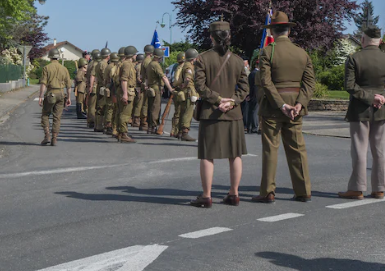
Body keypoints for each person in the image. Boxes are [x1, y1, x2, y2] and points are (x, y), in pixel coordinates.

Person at [251, 11, 315, 204]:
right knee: (297, 148)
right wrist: (298, 103)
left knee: (271, 149)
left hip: (273, 107)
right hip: (295, 107)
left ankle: (268, 191)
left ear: (273, 30)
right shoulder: (302, 53)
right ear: (288, 30)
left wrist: (281, 105)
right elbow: (309, 83)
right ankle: (304, 191)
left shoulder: (267, 52)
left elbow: (265, 82)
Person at [191, 20, 249, 208]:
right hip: (234, 114)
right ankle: (234, 193)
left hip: (211, 113)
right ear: (229, 37)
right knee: (235, 155)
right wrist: (231, 101)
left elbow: (200, 86)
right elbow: (245, 89)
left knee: (207, 155)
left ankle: (207, 196)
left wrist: (217, 100)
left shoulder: (202, 59)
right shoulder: (238, 60)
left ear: (211, 37)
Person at [338, 26, 385, 200]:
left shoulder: (353, 58)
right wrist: (381, 98)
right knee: (380, 150)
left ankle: (357, 189)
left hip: (360, 109)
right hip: (382, 109)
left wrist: (370, 97)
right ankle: (379, 188)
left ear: (363, 40)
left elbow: (350, 86)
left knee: (359, 149)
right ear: (379, 41)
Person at [39, 48, 72, 146]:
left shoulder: (47, 68)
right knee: (57, 117)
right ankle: (54, 138)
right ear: (58, 57)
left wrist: (41, 96)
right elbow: (69, 85)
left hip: (50, 93)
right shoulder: (64, 68)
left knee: (45, 114)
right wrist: (69, 98)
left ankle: (47, 135)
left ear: (50, 57)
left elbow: (43, 83)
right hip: (61, 94)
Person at [146, 48, 174, 134]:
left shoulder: (150, 64)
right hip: (155, 88)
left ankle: (150, 126)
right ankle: (153, 126)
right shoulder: (156, 65)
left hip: (150, 87)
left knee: (151, 107)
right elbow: (163, 77)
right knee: (155, 107)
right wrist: (170, 88)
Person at [116, 46, 138, 143]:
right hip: (127, 91)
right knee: (125, 113)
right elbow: (124, 80)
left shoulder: (126, 64)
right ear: (132, 55)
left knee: (123, 112)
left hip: (126, 90)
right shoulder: (128, 64)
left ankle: (121, 132)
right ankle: (123, 133)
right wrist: (125, 94)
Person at [178, 48, 199, 141]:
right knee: (188, 112)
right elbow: (187, 78)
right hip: (189, 91)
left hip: (186, 91)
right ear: (193, 58)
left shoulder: (185, 65)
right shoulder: (189, 66)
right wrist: (185, 85)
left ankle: (180, 132)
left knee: (183, 111)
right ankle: (184, 132)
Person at [94, 48, 111, 132]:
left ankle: (97, 124)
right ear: (108, 56)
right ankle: (99, 125)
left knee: (99, 106)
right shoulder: (104, 64)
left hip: (99, 86)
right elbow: (105, 77)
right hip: (103, 86)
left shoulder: (98, 63)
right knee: (102, 106)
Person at [103, 52, 119, 135]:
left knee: (108, 107)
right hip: (112, 88)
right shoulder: (113, 67)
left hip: (107, 87)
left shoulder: (108, 66)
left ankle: (107, 125)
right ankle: (109, 125)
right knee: (111, 108)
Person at [139, 45, 155, 131]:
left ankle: (143, 121)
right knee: (147, 104)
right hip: (148, 83)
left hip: (144, 83)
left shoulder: (144, 60)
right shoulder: (149, 61)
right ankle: (145, 122)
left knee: (144, 103)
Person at [170, 52, 185, 138]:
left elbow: (172, 79)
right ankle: (180, 131)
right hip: (183, 91)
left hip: (176, 91)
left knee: (177, 112)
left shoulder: (175, 67)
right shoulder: (185, 67)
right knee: (183, 112)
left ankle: (173, 130)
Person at [86, 49, 100, 128]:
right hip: (94, 86)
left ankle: (90, 120)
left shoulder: (90, 63)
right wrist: (91, 86)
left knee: (91, 104)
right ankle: (92, 121)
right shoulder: (95, 64)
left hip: (91, 85)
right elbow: (92, 75)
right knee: (93, 105)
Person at [246, 58, 260, 134]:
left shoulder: (253, 73)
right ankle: (254, 127)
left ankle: (250, 126)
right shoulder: (255, 73)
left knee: (252, 111)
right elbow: (255, 86)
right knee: (255, 111)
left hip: (253, 94)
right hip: (255, 95)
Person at [132, 53, 145, 128]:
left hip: (135, 86)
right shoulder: (140, 67)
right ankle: (136, 120)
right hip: (139, 87)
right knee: (139, 104)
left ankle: (134, 118)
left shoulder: (135, 66)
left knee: (136, 103)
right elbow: (138, 78)